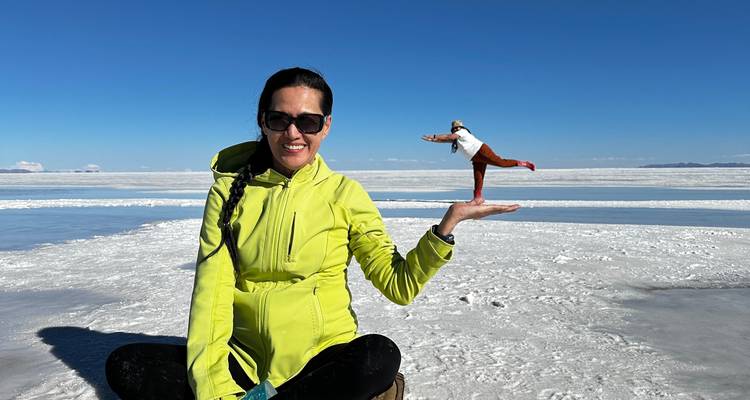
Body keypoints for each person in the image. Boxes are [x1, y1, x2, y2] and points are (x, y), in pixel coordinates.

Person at [105, 67, 520, 400]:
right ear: (262, 122)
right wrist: (213, 387)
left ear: (326, 126)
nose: (292, 133)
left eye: (308, 121)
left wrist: (446, 228)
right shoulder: (228, 192)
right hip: (244, 359)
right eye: (279, 119)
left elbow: (399, 285)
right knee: (127, 364)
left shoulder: (345, 195)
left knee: (378, 355)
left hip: (321, 359)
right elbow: (211, 294)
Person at [422, 120, 536, 205]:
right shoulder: (456, 138)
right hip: (474, 157)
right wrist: (432, 140)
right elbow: (446, 139)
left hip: (481, 150)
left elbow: (448, 136)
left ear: (461, 127)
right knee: (478, 177)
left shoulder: (463, 132)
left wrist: (435, 136)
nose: (456, 129)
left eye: (457, 127)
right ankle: (478, 198)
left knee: (500, 162)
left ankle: (523, 163)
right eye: (455, 128)